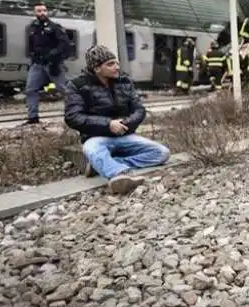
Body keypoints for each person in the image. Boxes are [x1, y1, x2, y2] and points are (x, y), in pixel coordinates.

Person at [64, 45, 171, 195]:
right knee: (93, 150)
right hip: (96, 138)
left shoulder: (125, 82)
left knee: (162, 153)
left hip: (125, 135)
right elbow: (73, 117)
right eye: (110, 64)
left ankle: (105, 165)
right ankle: (118, 175)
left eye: (117, 63)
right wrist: (108, 124)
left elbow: (139, 110)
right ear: (96, 68)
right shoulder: (77, 86)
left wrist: (126, 123)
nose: (117, 67)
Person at [24, 2, 72, 125]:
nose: (42, 13)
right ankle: (33, 118)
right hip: (37, 63)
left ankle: (73, 114)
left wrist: (55, 57)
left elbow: (64, 44)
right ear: (34, 13)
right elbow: (31, 45)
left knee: (64, 89)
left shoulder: (55, 27)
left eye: (44, 11)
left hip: (53, 63)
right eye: (39, 11)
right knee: (31, 89)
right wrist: (32, 57)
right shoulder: (32, 28)